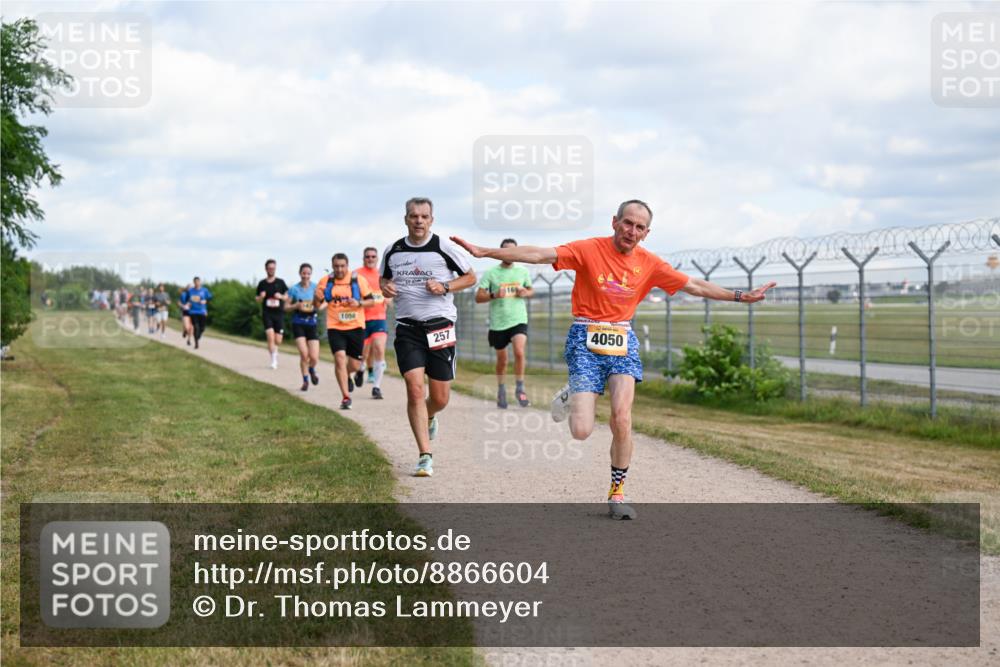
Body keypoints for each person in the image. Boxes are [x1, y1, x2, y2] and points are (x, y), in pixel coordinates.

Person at [452, 199, 776, 519]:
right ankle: (572, 394)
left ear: (646, 233)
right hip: (584, 338)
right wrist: (484, 251)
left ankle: (617, 492)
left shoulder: (649, 263)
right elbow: (539, 254)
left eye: (639, 227)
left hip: (623, 339)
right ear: (614, 222)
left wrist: (739, 296)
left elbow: (694, 285)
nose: (631, 231)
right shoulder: (588, 249)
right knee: (581, 430)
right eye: (627, 223)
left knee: (622, 418)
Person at [380, 197, 475, 477]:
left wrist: (445, 285)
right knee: (414, 388)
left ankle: (430, 414)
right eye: (413, 216)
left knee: (440, 397)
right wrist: (385, 288)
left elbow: (470, 278)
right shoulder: (393, 250)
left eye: (424, 216)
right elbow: (383, 280)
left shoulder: (443, 247)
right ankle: (424, 455)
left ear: (431, 220)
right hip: (408, 328)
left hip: (440, 326)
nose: (418, 221)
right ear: (406, 219)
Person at [475, 238, 534, 409]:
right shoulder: (491, 273)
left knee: (519, 352)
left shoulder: (522, 271)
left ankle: (520, 389)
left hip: (518, 319)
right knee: (502, 360)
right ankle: (501, 390)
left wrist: (525, 292)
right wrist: (494, 295)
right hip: (498, 322)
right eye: (507, 251)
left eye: (514, 251)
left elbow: (530, 290)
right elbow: (478, 297)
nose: (511, 255)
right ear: (500, 253)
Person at [315, 254, 375, 410]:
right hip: (335, 326)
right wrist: (316, 298)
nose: (339, 269)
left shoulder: (358, 280)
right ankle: (346, 396)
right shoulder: (325, 281)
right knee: (340, 358)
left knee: (354, 365)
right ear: (332, 266)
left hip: (356, 326)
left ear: (347, 265)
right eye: (336, 266)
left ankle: (348, 374)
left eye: (342, 266)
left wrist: (359, 302)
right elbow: (317, 305)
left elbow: (371, 301)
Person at [356, 247, 392, 400]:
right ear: (363, 258)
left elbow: (389, 294)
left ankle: (376, 387)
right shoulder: (357, 274)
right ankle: (361, 368)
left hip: (379, 318)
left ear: (377, 259)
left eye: (373, 256)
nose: (370, 259)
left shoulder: (383, 275)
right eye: (367, 256)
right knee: (362, 353)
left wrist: (389, 299)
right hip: (361, 319)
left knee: (378, 348)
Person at [286, 263, 326, 391]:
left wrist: (319, 307)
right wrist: (295, 306)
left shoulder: (316, 287)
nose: (306, 276)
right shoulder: (294, 289)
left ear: (311, 274)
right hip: (298, 323)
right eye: (304, 273)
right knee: (304, 354)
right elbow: (285, 307)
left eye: (308, 273)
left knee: (314, 357)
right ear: (300, 273)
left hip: (312, 324)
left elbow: (326, 301)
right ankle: (305, 381)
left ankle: (311, 369)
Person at [255, 259, 289, 369]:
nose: (271, 270)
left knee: (278, 340)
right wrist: (261, 297)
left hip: (279, 314)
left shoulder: (281, 282)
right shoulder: (262, 283)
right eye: (269, 268)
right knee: (270, 337)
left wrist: (281, 297)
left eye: (273, 268)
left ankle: (275, 351)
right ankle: (273, 360)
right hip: (267, 313)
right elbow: (257, 299)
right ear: (266, 269)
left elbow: (287, 296)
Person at [186, 277, 213, 349]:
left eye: (198, 282)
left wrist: (206, 301)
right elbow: (187, 299)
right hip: (193, 311)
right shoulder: (190, 291)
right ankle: (196, 343)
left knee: (202, 328)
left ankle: (198, 336)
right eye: (195, 282)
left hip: (202, 311)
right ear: (193, 282)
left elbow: (210, 297)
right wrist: (188, 303)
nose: (197, 283)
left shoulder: (204, 290)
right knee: (196, 327)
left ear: (200, 282)